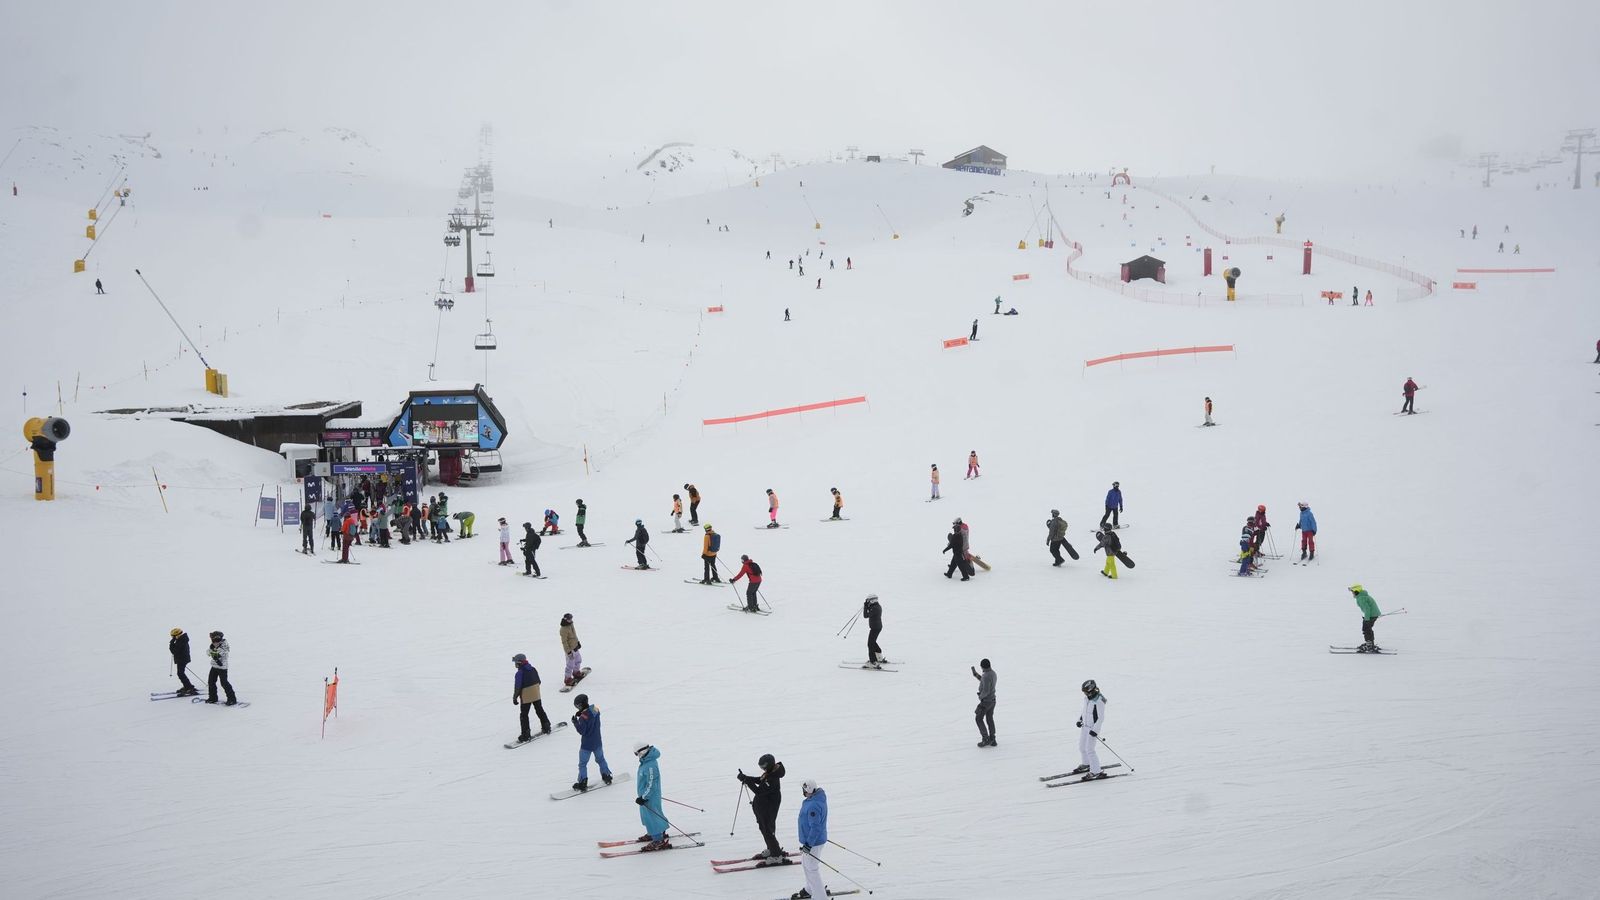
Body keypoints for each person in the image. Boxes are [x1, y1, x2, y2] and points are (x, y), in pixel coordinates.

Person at [737, 754, 787, 860]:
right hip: (764, 805)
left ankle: (776, 855)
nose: (762, 769)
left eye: (763, 766)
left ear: (769, 764)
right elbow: (760, 780)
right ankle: (772, 849)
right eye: (761, 766)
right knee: (763, 827)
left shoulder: (773, 778)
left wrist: (747, 781)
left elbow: (758, 791)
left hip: (769, 806)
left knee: (768, 829)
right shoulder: (770, 773)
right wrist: (746, 778)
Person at [793, 779, 829, 900]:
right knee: (805, 864)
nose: (802, 792)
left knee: (812, 869)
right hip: (809, 840)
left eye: (803, 789)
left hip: (813, 842)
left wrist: (809, 844)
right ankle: (809, 889)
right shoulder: (813, 800)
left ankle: (820, 897)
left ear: (808, 790)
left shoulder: (813, 805)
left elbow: (815, 827)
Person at [570, 693, 613, 791]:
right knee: (601, 759)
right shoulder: (595, 709)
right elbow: (590, 715)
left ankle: (583, 781)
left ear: (580, 705)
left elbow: (582, 731)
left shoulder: (582, 718)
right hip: (597, 742)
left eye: (577, 706)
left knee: (583, 764)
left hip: (587, 745)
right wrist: (582, 713)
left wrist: (576, 722)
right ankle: (606, 775)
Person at [634, 742, 670, 850]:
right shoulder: (646, 761)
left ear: (643, 751)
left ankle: (658, 839)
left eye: (637, 753)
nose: (637, 756)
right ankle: (656, 832)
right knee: (650, 815)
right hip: (647, 795)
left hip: (649, 796)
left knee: (651, 817)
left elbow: (651, 783)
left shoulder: (650, 765)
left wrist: (644, 797)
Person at [1073, 679, 1108, 779]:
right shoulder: (1087, 698)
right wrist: (1080, 719)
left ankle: (1096, 771)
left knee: (1090, 749)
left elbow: (1101, 718)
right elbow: (1084, 711)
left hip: (1093, 729)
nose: (1084, 694)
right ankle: (1086, 764)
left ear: (1091, 690)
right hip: (1085, 726)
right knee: (1082, 747)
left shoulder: (1099, 700)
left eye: (1085, 691)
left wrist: (1095, 730)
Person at [512, 652, 551, 742]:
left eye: (516, 663)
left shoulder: (519, 673)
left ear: (520, 663)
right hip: (536, 694)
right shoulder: (533, 669)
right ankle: (546, 726)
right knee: (539, 710)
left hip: (526, 696)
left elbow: (518, 687)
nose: (515, 665)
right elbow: (539, 681)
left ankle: (526, 734)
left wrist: (515, 697)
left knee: (524, 715)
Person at [205, 631, 237, 705]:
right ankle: (213, 698)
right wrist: (212, 650)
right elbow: (208, 653)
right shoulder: (213, 645)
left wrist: (214, 653)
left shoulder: (224, 646)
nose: (214, 643)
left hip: (222, 667)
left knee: (224, 683)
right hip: (214, 666)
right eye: (213, 641)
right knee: (211, 682)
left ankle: (232, 699)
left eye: (216, 641)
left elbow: (218, 654)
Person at [972, 658, 998, 747]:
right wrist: (976, 675)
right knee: (989, 719)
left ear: (982, 666)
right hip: (992, 701)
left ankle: (985, 739)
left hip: (986, 702)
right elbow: (985, 681)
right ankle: (992, 738)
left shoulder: (986, 676)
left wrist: (980, 696)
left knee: (978, 719)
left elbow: (986, 690)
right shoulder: (993, 673)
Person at [1350, 584, 1383, 652]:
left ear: (1356, 592)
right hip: (1372, 615)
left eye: (1353, 592)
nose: (1352, 594)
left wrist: (1367, 619)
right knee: (1368, 628)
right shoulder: (1363, 596)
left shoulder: (1361, 598)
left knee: (1366, 629)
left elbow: (1367, 609)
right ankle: (1370, 644)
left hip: (1370, 615)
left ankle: (1369, 645)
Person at [169, 628, 197, 696]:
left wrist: (171, 643)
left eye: (173, 636)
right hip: (182, 659)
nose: (173, 638)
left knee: (180, 673)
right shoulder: (181, 639)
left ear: (177, 635)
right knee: (181, 673)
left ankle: (189, 687)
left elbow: (174, 651)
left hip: (182, 659)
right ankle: (188, 686)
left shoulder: (181, 641)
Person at [560, 613, 584, 686]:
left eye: (571, 618)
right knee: (570, 664)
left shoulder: (571, 624)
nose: (571, 620)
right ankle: (567, 678)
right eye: (569, 619)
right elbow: (564, 642)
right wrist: (568, 652)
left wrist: (577, 642)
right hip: (570, 649)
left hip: (575, 647)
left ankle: (576, 672)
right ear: (565, 619)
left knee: (578, 660)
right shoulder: (563, 629)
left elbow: (574, 635)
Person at [863, 594, 886, 666]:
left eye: (869, 600)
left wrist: (865, 606)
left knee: (870, 644)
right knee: (873, 642)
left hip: (875, 628)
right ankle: (879, 657)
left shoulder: (875, 608)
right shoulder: (876, 606)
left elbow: (865, 615)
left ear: (873, 600)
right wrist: (867, 606)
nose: (868, 602)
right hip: (877, 627)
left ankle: (873, 661)